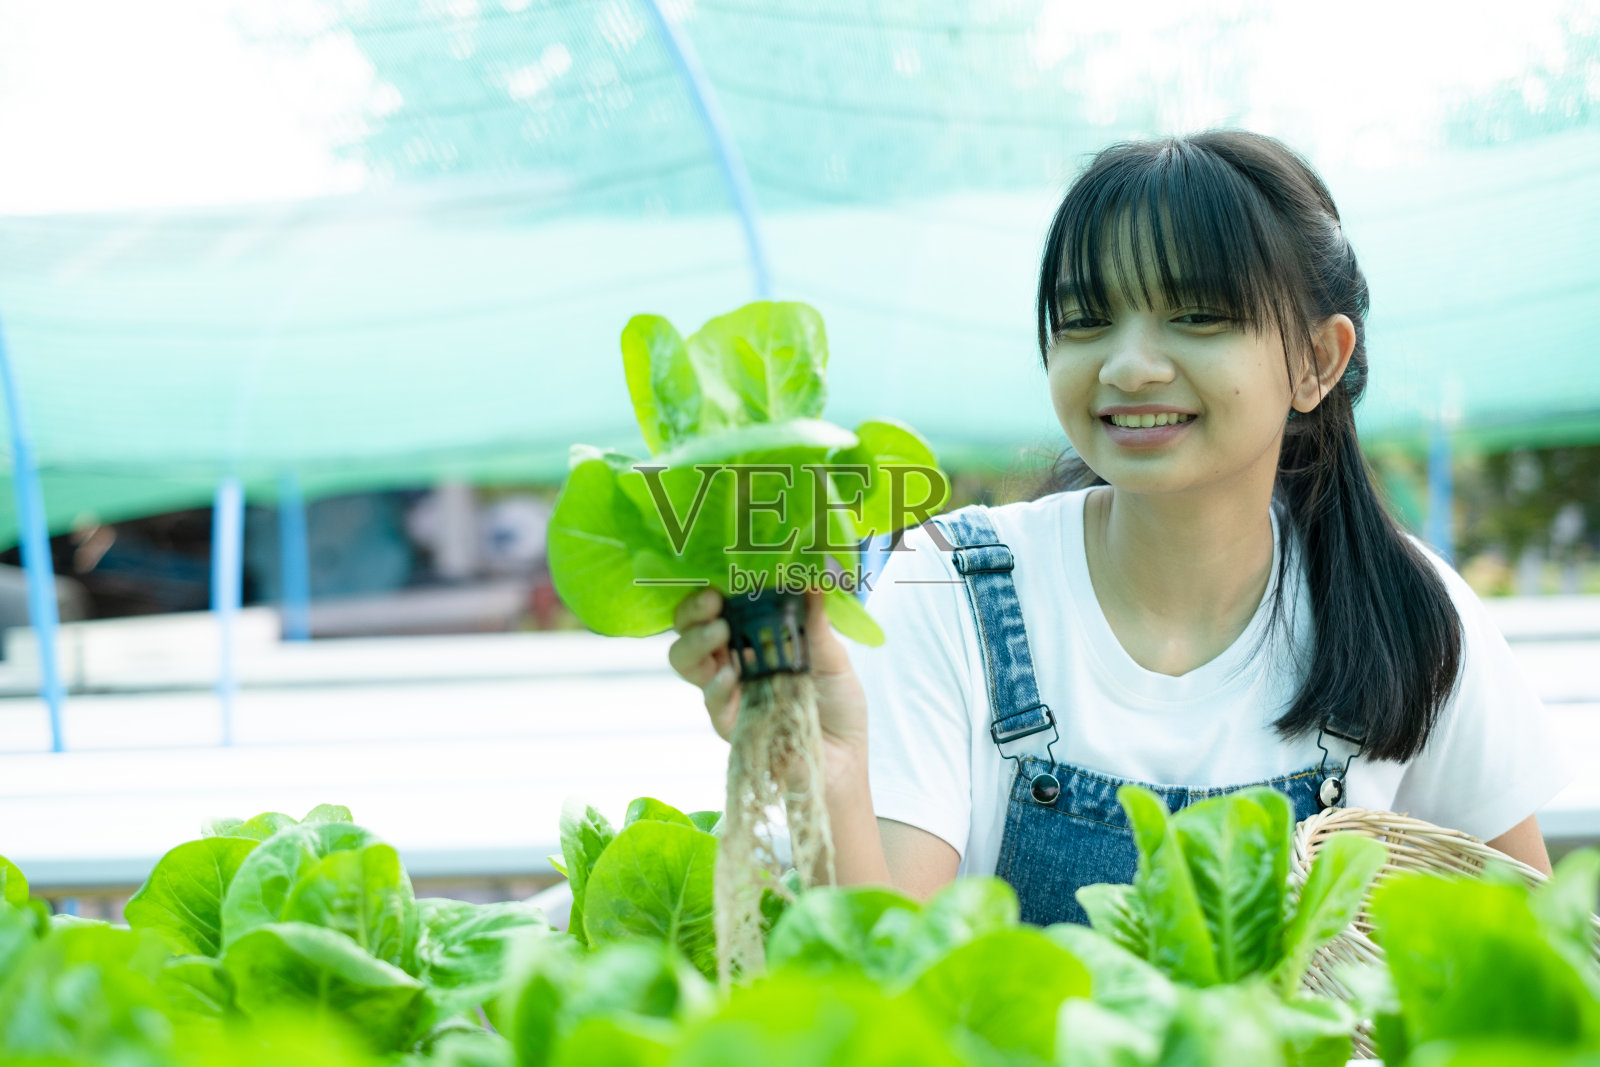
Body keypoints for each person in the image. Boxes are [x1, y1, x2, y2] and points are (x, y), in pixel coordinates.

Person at [667, 129, 1572, 923]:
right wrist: (828, 776)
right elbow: (882, 989)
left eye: (1197, 316)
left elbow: (1522, 969)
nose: (1130, 366)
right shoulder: (943, 588)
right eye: (1086, 319)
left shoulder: (1409, 615)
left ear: (1317, 360)